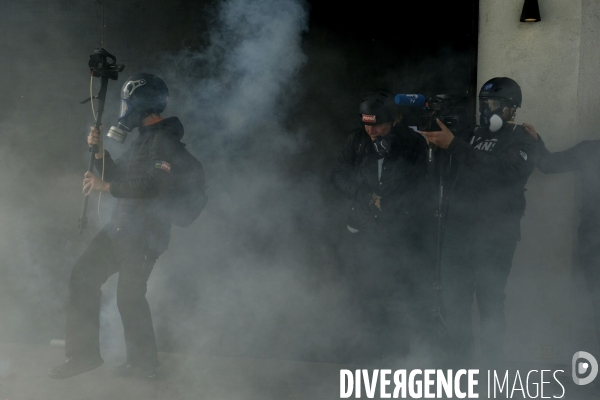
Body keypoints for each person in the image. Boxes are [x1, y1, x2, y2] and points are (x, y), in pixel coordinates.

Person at [49, 73, 185, 379]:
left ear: (138, 105)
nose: (124, 110)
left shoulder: (164, 142)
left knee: (129, 298)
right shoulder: (144, 141)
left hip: (145, 236)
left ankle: (145, 365)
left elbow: (152, 185)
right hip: (121, 229)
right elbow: (120, 176)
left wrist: (105, 187)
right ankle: (83, 356)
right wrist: (99, 154)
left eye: (127, 103)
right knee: (82, 277)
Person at [421, 77, 539, 365]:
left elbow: (500, 170)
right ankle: (460, 368)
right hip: (458, 235)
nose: (489, 111)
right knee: (455, 304)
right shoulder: (472, 134)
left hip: (494, 239)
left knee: (490, 304)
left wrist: (454, 146)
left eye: (496, 104)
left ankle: (491, 370)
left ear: (513, 109)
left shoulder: (523, 139)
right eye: (485, 104)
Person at [331, 89, 430, 360]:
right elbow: (338, 175)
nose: (371, 131)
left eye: (377, 125)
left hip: (400, 230)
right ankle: (367, 350)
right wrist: (365, 195)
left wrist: (393, 202)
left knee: (399, 290)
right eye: (367, 124)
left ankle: (399, 354)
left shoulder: (412, 143)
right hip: (363, 227)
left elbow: (422, 184)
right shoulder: (357, 140)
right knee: (364, 288)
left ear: (393, 120)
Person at [523, 123, 600, 348]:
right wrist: (536, 140)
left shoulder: (591, 150)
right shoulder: (591, 150)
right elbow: (548, 164)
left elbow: (548, 164)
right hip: (594, 241)